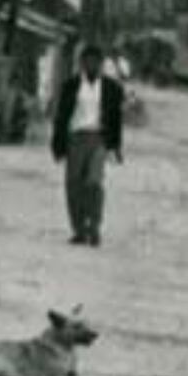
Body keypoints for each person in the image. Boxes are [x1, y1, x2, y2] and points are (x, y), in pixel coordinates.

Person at [50, 44, 125, 247]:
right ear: (82, 63)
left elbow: (116, 120)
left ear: (101, 64)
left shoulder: (112, 89)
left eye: (96, 62)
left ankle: (94, 227)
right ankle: (79, 229)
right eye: (87, 61)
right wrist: (57, 145)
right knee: (74, 185)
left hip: (98, 139)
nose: (91, 65)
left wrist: (116, 147)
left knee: (94, 182)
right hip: (76, 139)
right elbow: (61, 117)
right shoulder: (71, 86)